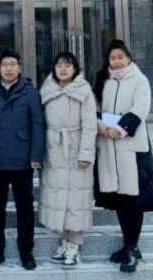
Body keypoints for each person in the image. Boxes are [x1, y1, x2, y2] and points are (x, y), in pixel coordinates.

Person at [94, 40, 153, 274]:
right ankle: (128, 244)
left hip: (132, 147)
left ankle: (132, 247)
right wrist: (101, 126)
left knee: (134, 200)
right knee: (120, 199)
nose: (117, 61)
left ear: (128, 58)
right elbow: (95, 108)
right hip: (109, 147)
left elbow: (140, 109)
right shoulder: (104, 80)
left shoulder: (140, 80)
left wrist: (120, 129)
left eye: (120, 57)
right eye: (113, 58)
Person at [0, 50, 45, 271]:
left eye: (12, 64)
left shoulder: (31, 92)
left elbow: (38, 126)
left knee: (24, 207)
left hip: (22, 160)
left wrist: (36, 156)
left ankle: (26, 250)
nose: (8, 68)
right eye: (4, 64)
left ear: (19, 67)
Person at [38, 52, 97, 268]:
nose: (63, 69)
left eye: (67, 65)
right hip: (53, 150)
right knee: (59, 197)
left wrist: (86, 154)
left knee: (76, 199)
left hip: (75, 148)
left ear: (75, 69)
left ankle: (75, 244)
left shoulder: (84, 91)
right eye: (59, 65)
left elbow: (90, 125)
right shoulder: (46, 90)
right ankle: (63, 240)